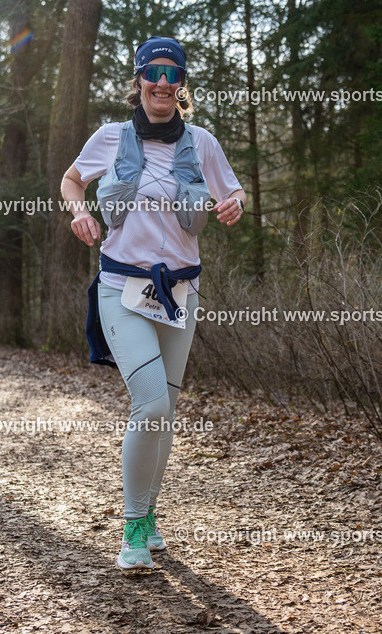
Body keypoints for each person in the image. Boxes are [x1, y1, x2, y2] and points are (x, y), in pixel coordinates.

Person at [61, 36, 245, 569]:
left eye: (173, 74)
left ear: (180, 83)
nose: (163, 83)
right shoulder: (112, 137)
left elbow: (233, 191)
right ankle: (133, 525)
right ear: (139, 78)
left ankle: (150, 511)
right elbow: (73, 180)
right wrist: (78, 212)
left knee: (164, 415)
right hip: (121, 288)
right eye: (154, 73)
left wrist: (233, 203)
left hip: (180, 292)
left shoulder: (202, 142)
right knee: (152, 404)